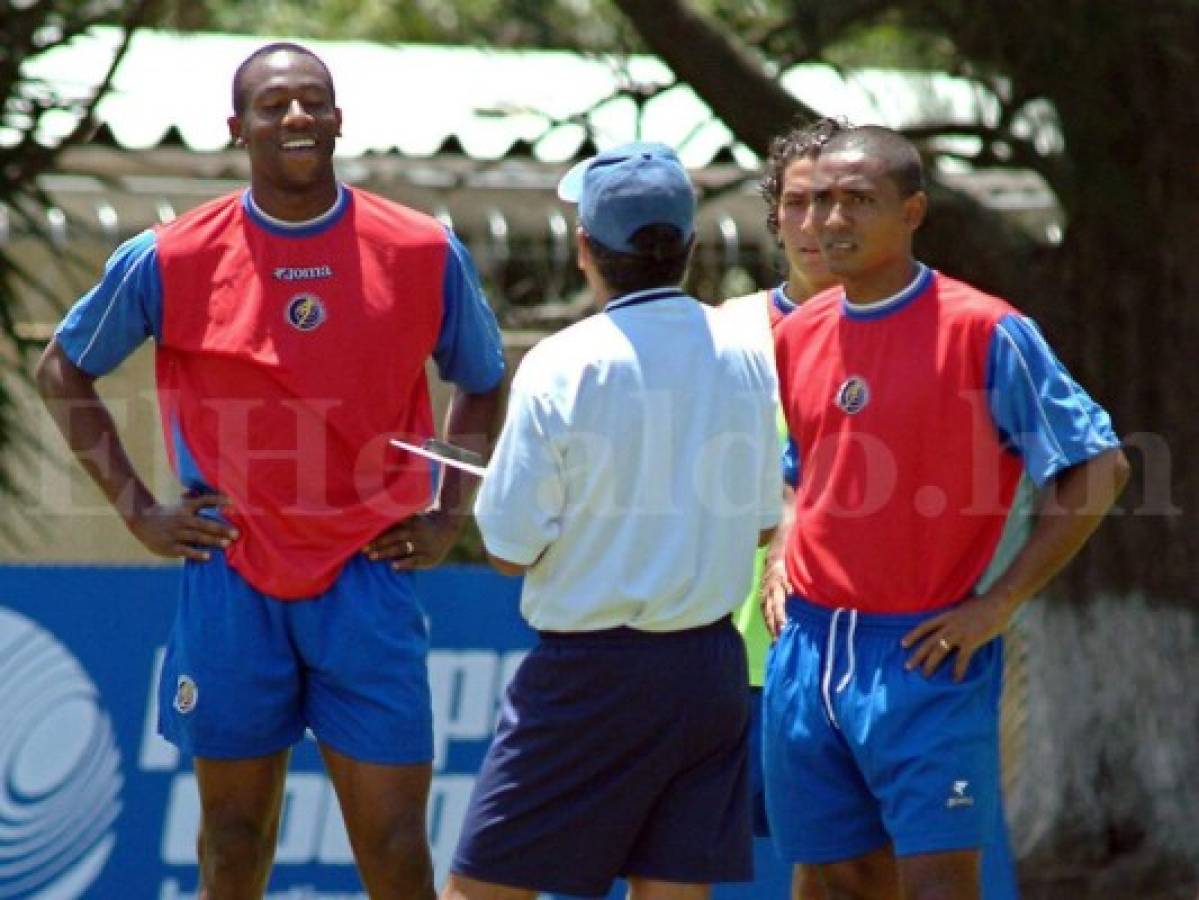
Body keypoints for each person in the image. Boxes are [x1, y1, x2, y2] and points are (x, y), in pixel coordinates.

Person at [34, 42, 504, 899]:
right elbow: (62, 370)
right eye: (273, 104)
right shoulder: (171, 255)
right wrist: (138, 510)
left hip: (367, 574)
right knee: (234, 841)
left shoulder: (417, 248)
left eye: (312, 101)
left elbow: (482, 381)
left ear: (337, 119)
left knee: (398, 848)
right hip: (232, 574)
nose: (295, 117)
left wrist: (446, 513)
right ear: (236, 128)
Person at [762, 125, 1130, 900]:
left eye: (858, 201)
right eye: (821, 200)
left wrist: (999, 603)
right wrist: (781, 548)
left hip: (927, 651)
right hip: (808, 647)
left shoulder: (985, 330)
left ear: (913, 212)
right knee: (831, 881)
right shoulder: (796, 333)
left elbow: (1099, 467)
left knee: (935, 884)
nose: (830, 221)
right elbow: (804, 469)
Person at [442, 142, 782, 900]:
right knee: (672, 891)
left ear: (585, 249)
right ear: (689, 248)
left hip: (592, 673)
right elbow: (762, 524)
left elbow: (506, 548)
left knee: (480, 892)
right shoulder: (748, 352)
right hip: (708, 671)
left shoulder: (564, 362)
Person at [721, 116, 847, 900]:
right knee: (672, 863)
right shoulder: (722, 331)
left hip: (856, 654)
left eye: (839, 201)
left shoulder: (928, 328)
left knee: (845, 869)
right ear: (773, 214)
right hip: (720, 654)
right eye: (797, 202)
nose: (817, 223)